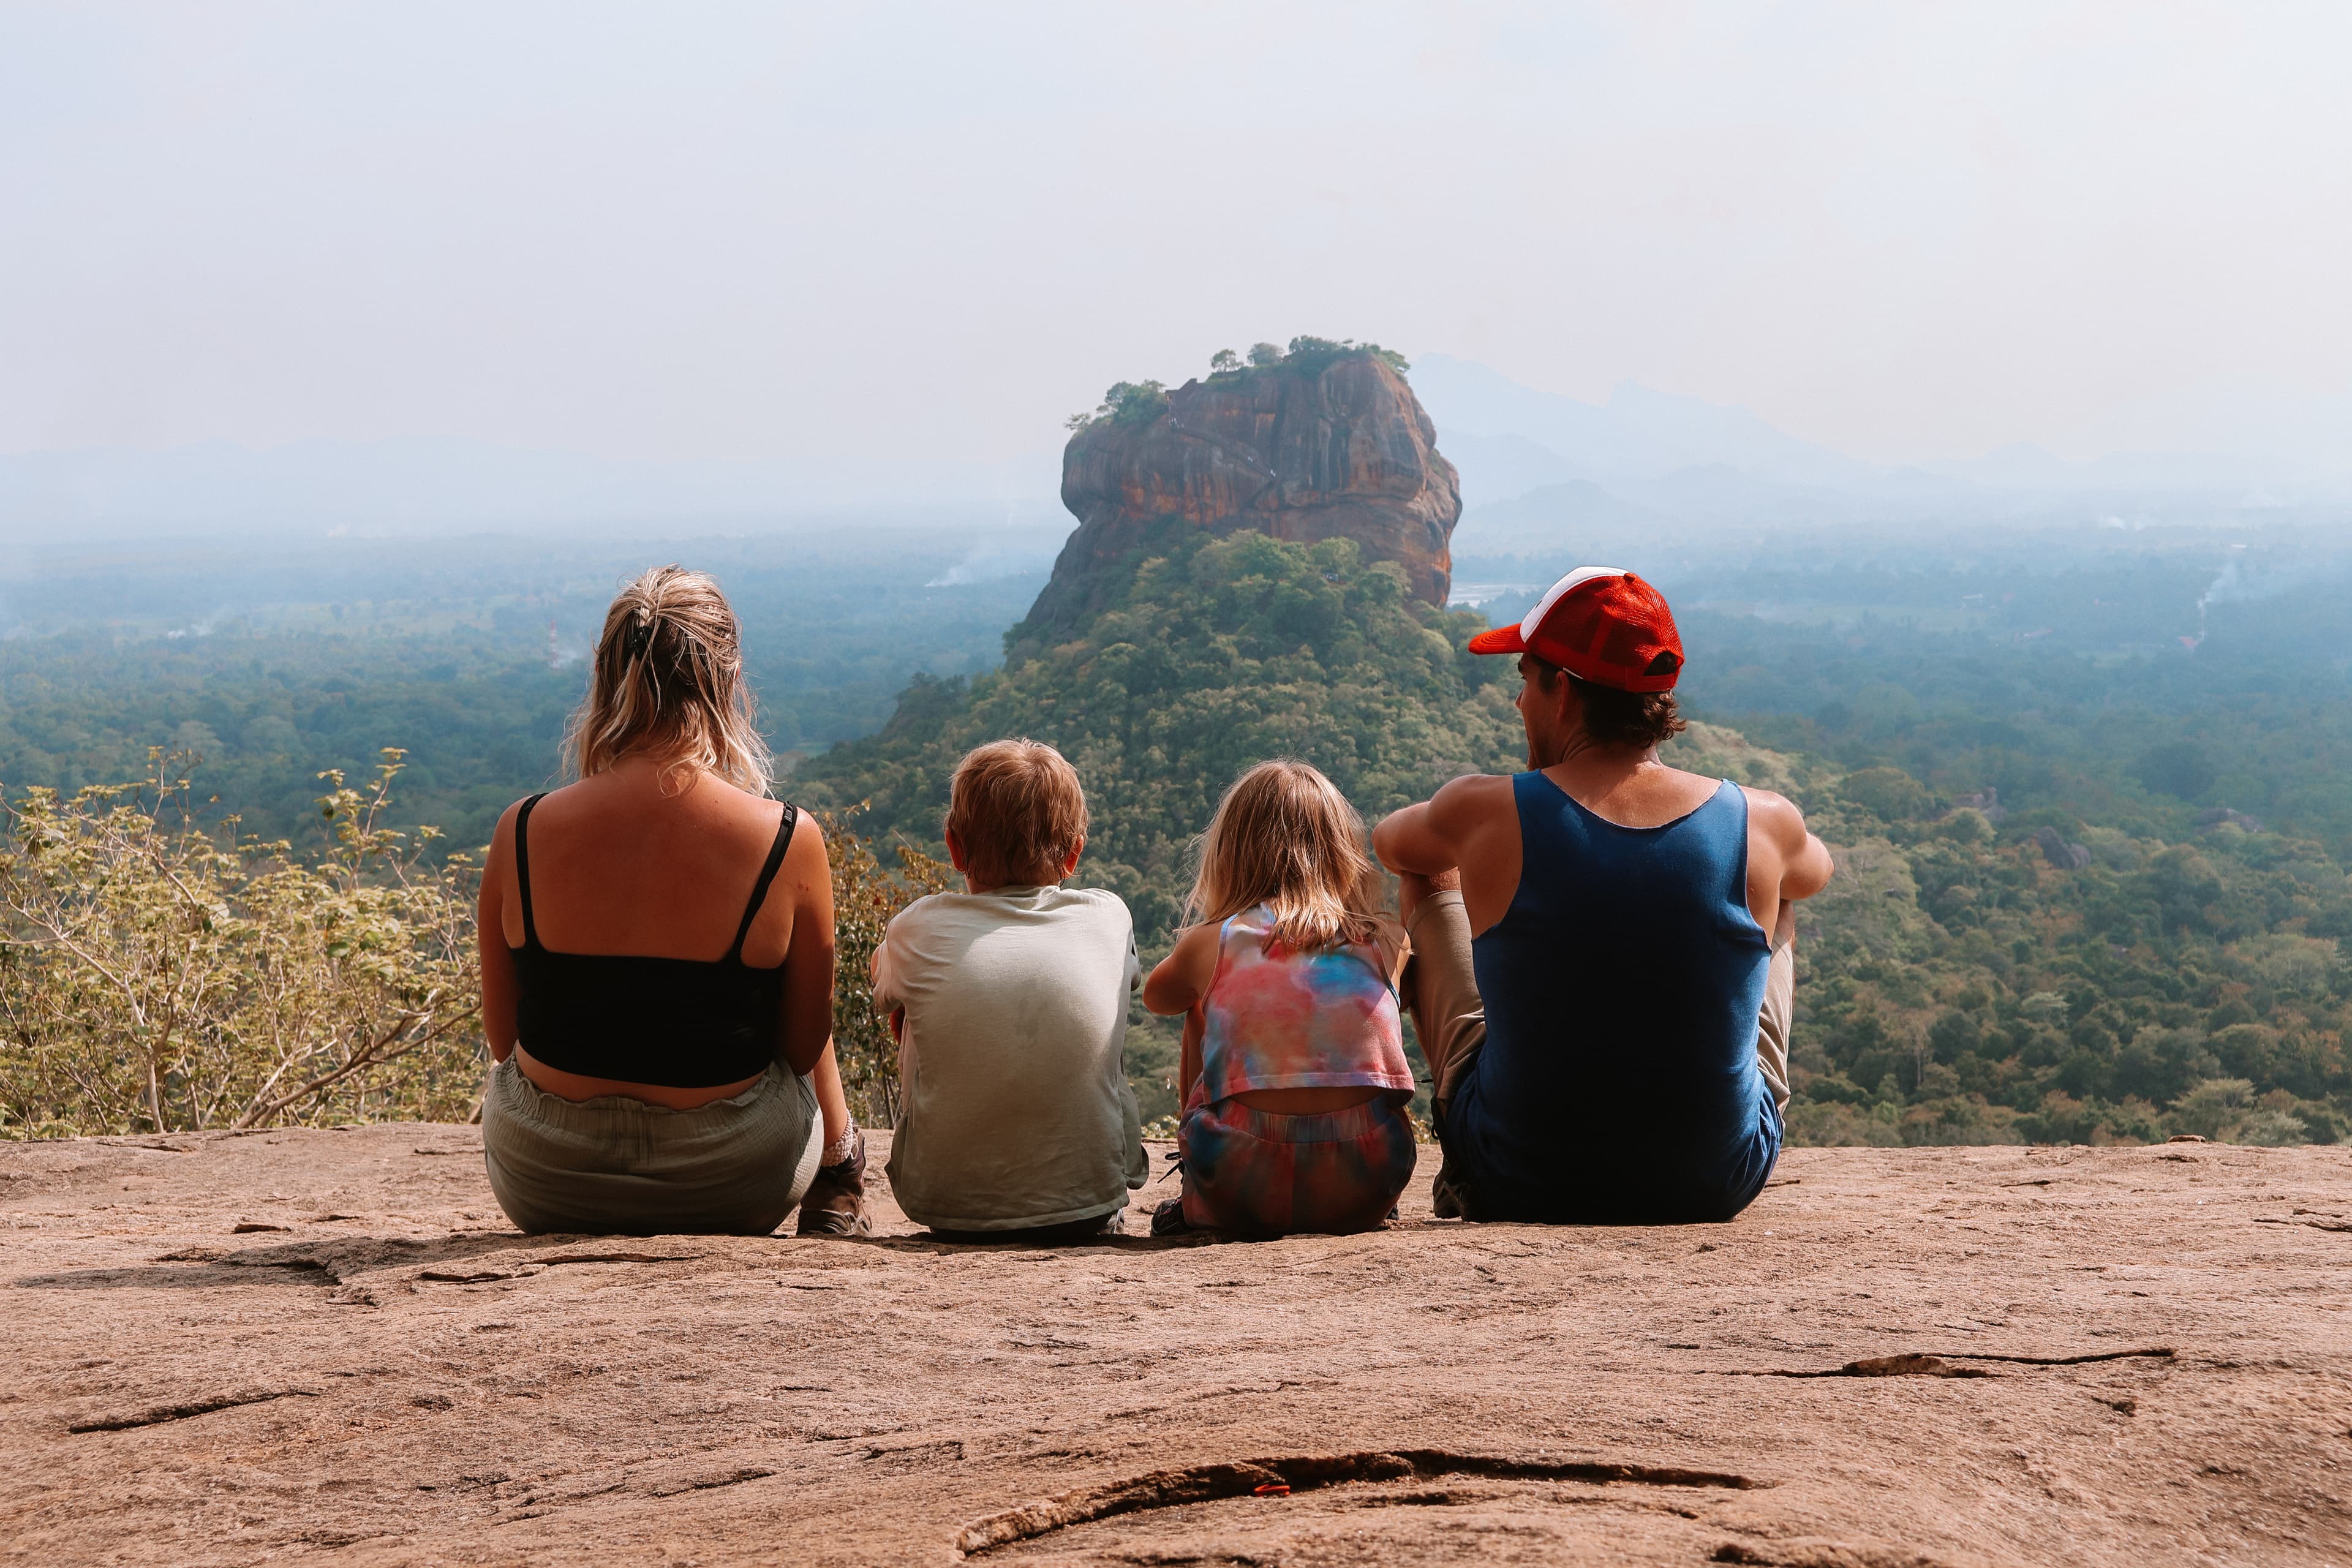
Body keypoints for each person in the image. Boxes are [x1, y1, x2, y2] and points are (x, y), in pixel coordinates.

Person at [1373, 567, 1833, 1224]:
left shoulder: (1483, 808)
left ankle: (1473, 1152)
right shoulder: (1762, 819)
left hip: (1519, 1175)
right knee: (1778, 893)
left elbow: (1392, 845)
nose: (1518, 703)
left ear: (1562, 692)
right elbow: (1818, 871)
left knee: (1428, 871)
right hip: (1713, 1181)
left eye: (1526, 680)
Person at [477, 565, 869, 1237]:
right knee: (789, 981)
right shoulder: (785, 837)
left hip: (548, 1182)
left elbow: (504, 1036)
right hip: (731, 1185)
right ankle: (841, 1169)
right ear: (728, 680)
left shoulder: (521, 830)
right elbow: (803, 1050)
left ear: (605, 675)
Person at [872, 739, 1148, 1243]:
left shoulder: (918, 928)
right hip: (1087, 1202)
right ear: (1074, 855)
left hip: (949, 1206)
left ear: (954, 849)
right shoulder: (1109, 916)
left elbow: (880, 986)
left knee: (912, 1007)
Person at [1144, 760, 1419, 1237]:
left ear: (1230, 853)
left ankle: (1193, 1190)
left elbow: (1156, 999)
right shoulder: (1388, 938)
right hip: (1368, 1180)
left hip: (1238, 1181)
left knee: (1198, 1003)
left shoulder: (1213, 940)